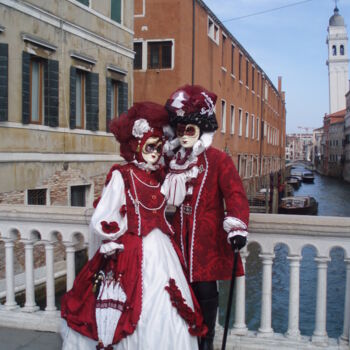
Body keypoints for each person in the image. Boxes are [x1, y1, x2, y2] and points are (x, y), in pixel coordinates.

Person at [60, 102, 207, 350]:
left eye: (159, 148)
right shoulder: (122, 175)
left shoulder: (159, 177)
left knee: (168, 305)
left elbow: (174, 198)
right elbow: (104, 214)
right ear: (137, 145)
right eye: (150, 146)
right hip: (131, 250)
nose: (155, 153)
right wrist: (112, 234)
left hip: (162, 248)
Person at [161, 85, 250, 350]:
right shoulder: (174, 161)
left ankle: (206, 340)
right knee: (179, 288)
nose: (185, 135)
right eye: (180, 130)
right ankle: (184, 337)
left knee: (206, 291)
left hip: (206, 239)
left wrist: (236, 226)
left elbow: (235, 194)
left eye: (190, 130)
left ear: (202, 130)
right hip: (178, 235)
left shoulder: (218, 160)